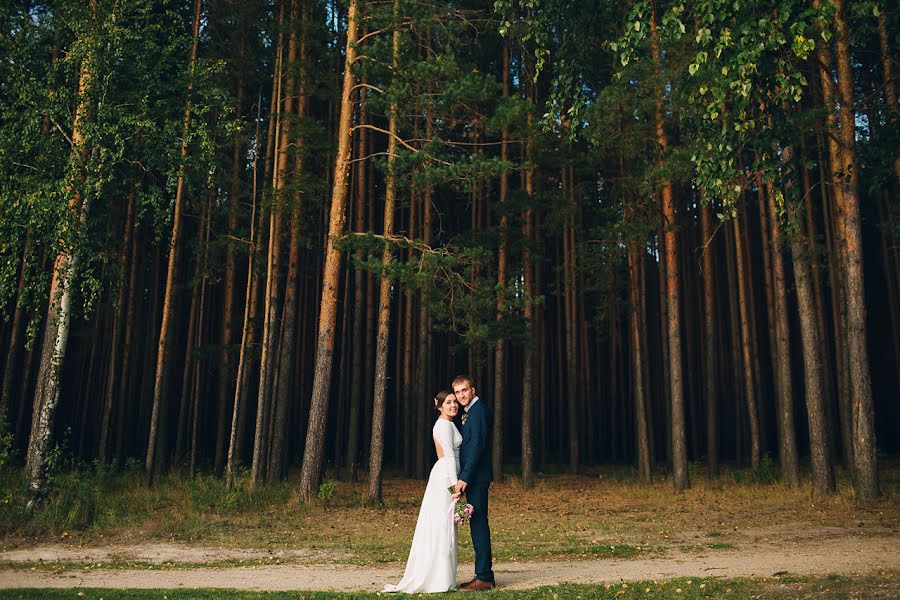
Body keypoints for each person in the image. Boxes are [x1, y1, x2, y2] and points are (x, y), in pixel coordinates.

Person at [383, 391, 463, 593]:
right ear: (439, 406)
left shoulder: (450, 424)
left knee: (444, 525)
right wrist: (456, 487)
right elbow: (449, 457)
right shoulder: (443, 425)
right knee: (441, 525)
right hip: (446, 475)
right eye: (448, 402)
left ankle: (443, 576)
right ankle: (437, 578)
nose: (453, 405)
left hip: (448, 473)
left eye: (455, 402)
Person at [453, 374, 496, 591]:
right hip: (475, 477)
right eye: (457, 391)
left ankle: (484, 577)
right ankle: (482, 574)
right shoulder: (470, 412)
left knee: (479, 524)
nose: (461, 395)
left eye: (464, 390)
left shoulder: (477, 412)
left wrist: (464, 478)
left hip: (477, 478)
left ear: (473, 390)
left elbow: (477, 446)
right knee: (477, 523)